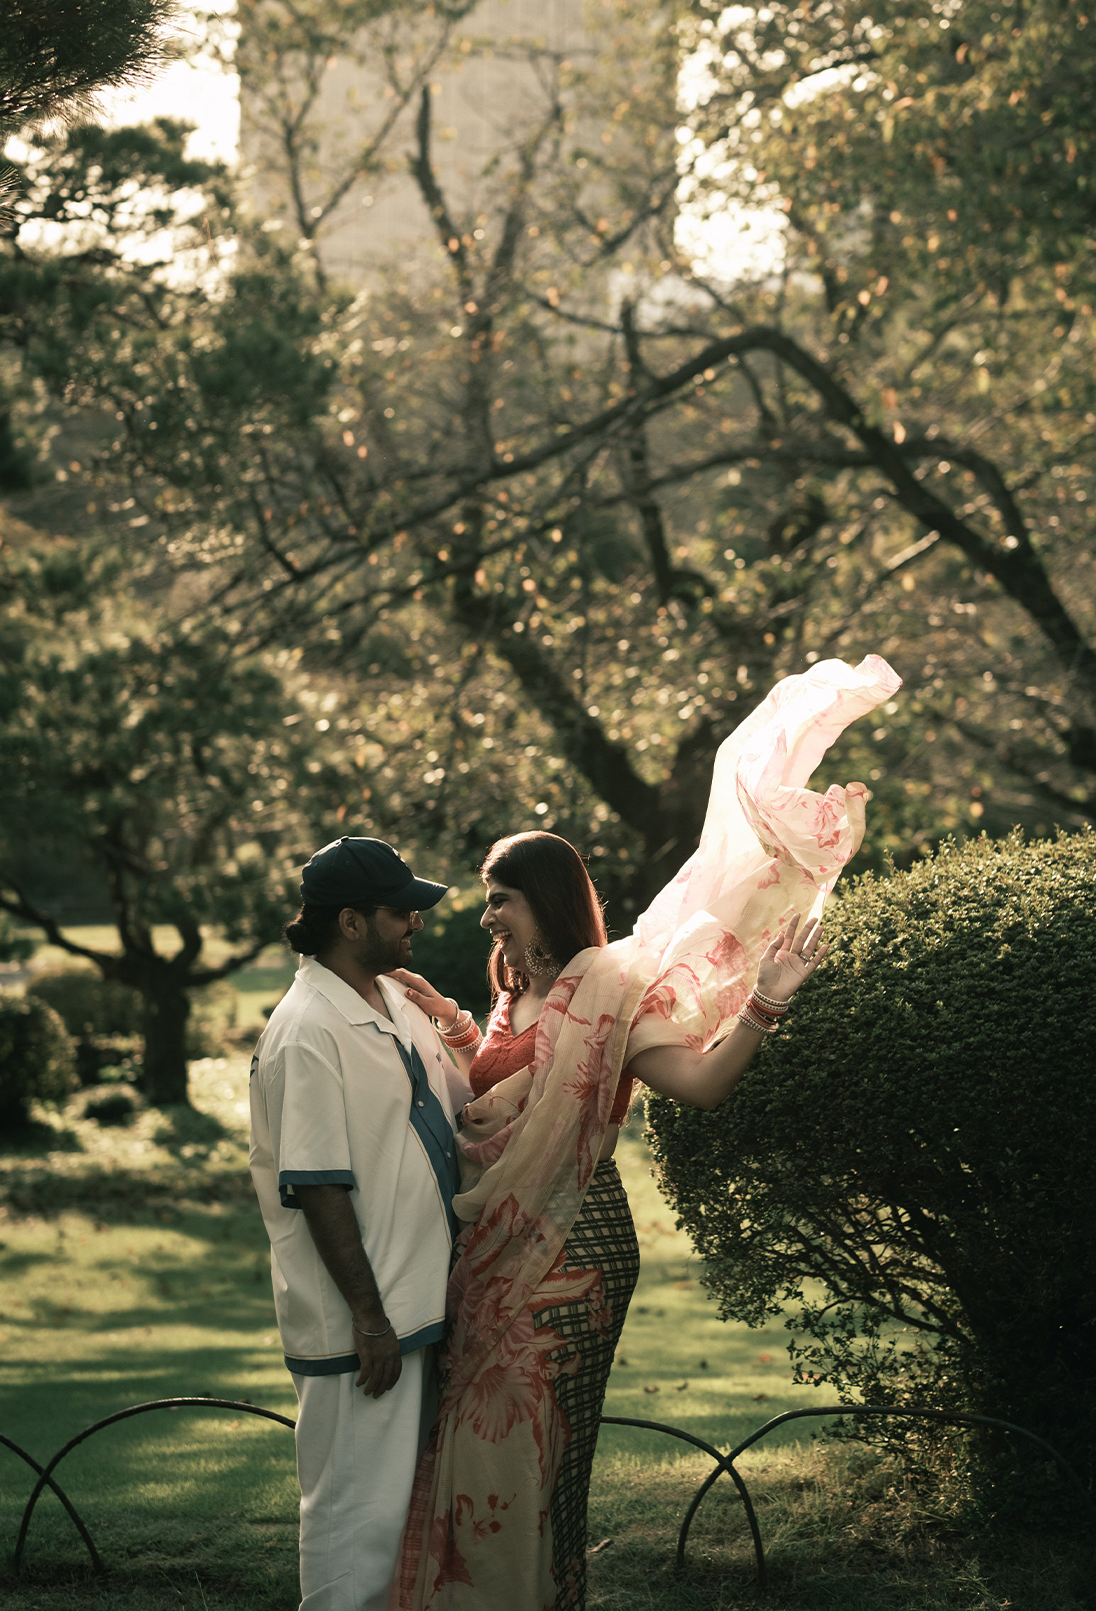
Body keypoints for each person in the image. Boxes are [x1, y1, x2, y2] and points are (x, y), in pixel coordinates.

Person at [391, 652, 902, 1611]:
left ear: (541, 897)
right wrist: (454, 1024)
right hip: (501, 1245)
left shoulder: (612, 990)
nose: (487, 913)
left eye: (500, 897)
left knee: (534, 1455)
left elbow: (700, 1086)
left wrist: (766, 1003)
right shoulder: (515, 991)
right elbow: (498, 1090)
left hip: (575, 1247)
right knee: (477, 1436)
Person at [249, 835, 480, 1611]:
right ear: (350, 922)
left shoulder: (393, 1003)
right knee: (356, 1527)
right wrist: (369, 1320)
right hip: (366, 1329)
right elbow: (316, 1186)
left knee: (402, 1533)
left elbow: (458, 1110)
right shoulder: (306, 1028)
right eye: (400, 911)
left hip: (416, 1306)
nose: (414, 923)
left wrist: (451, 1019)